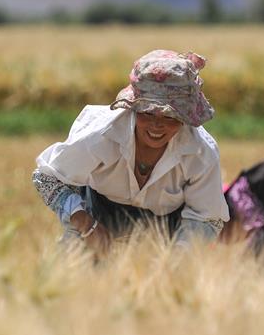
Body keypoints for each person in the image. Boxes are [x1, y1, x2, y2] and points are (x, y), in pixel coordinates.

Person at [33, 50, 229, 256]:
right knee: (72, 275)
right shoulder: (100, 135)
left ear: (185, 117)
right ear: (133, 107)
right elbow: (46, 178)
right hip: (96, 212)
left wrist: (176, 262)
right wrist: (85, 224)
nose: (157, 125)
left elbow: (207, 217)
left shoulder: (200, 151)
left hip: (170, 225)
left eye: (171, 116)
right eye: (147, 112)